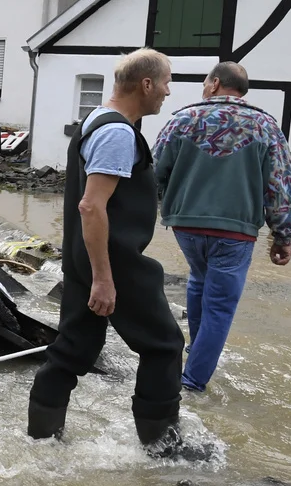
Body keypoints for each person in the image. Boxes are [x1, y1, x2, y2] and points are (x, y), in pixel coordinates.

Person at [28, 48, 192, 456]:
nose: (168, 92)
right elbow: (91, 206)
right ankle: (164, 451)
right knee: (164, 345)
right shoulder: (118, 133)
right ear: (146, 84)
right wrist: (104, 279)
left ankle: (41, 443)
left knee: (74, 348)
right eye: (167, 82)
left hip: (84, 257)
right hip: (113, 262)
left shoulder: (94, 120)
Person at [153, 62, 291, 393]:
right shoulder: (266, 126)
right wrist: (282, 235)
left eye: (205, 83)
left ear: (215, 84)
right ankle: (191, 383)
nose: (204, 88)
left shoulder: (183, 119)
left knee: (199, 279)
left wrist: (161, 207)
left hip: (186, 225)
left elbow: (156, 169)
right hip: (236, 230)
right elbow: (280, 185)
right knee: (220, 305)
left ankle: (195, 351)